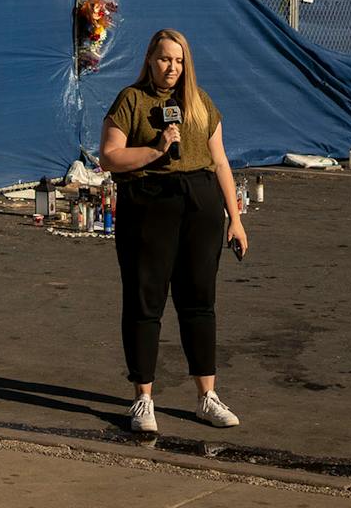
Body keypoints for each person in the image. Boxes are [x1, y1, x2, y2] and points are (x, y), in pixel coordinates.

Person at [97, 28, 250, 433]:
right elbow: (109, 156)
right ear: (150, 59)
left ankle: (206, 397)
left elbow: (220, 163)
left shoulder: (200, 104)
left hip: (200, 206)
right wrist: (157, 149)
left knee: (199, 300)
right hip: (149, 204)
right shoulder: (132, 100)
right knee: (146, 301)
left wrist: (235, 219)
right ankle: (143, 400)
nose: (172, 68)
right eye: (165, 59)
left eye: (179, 61)